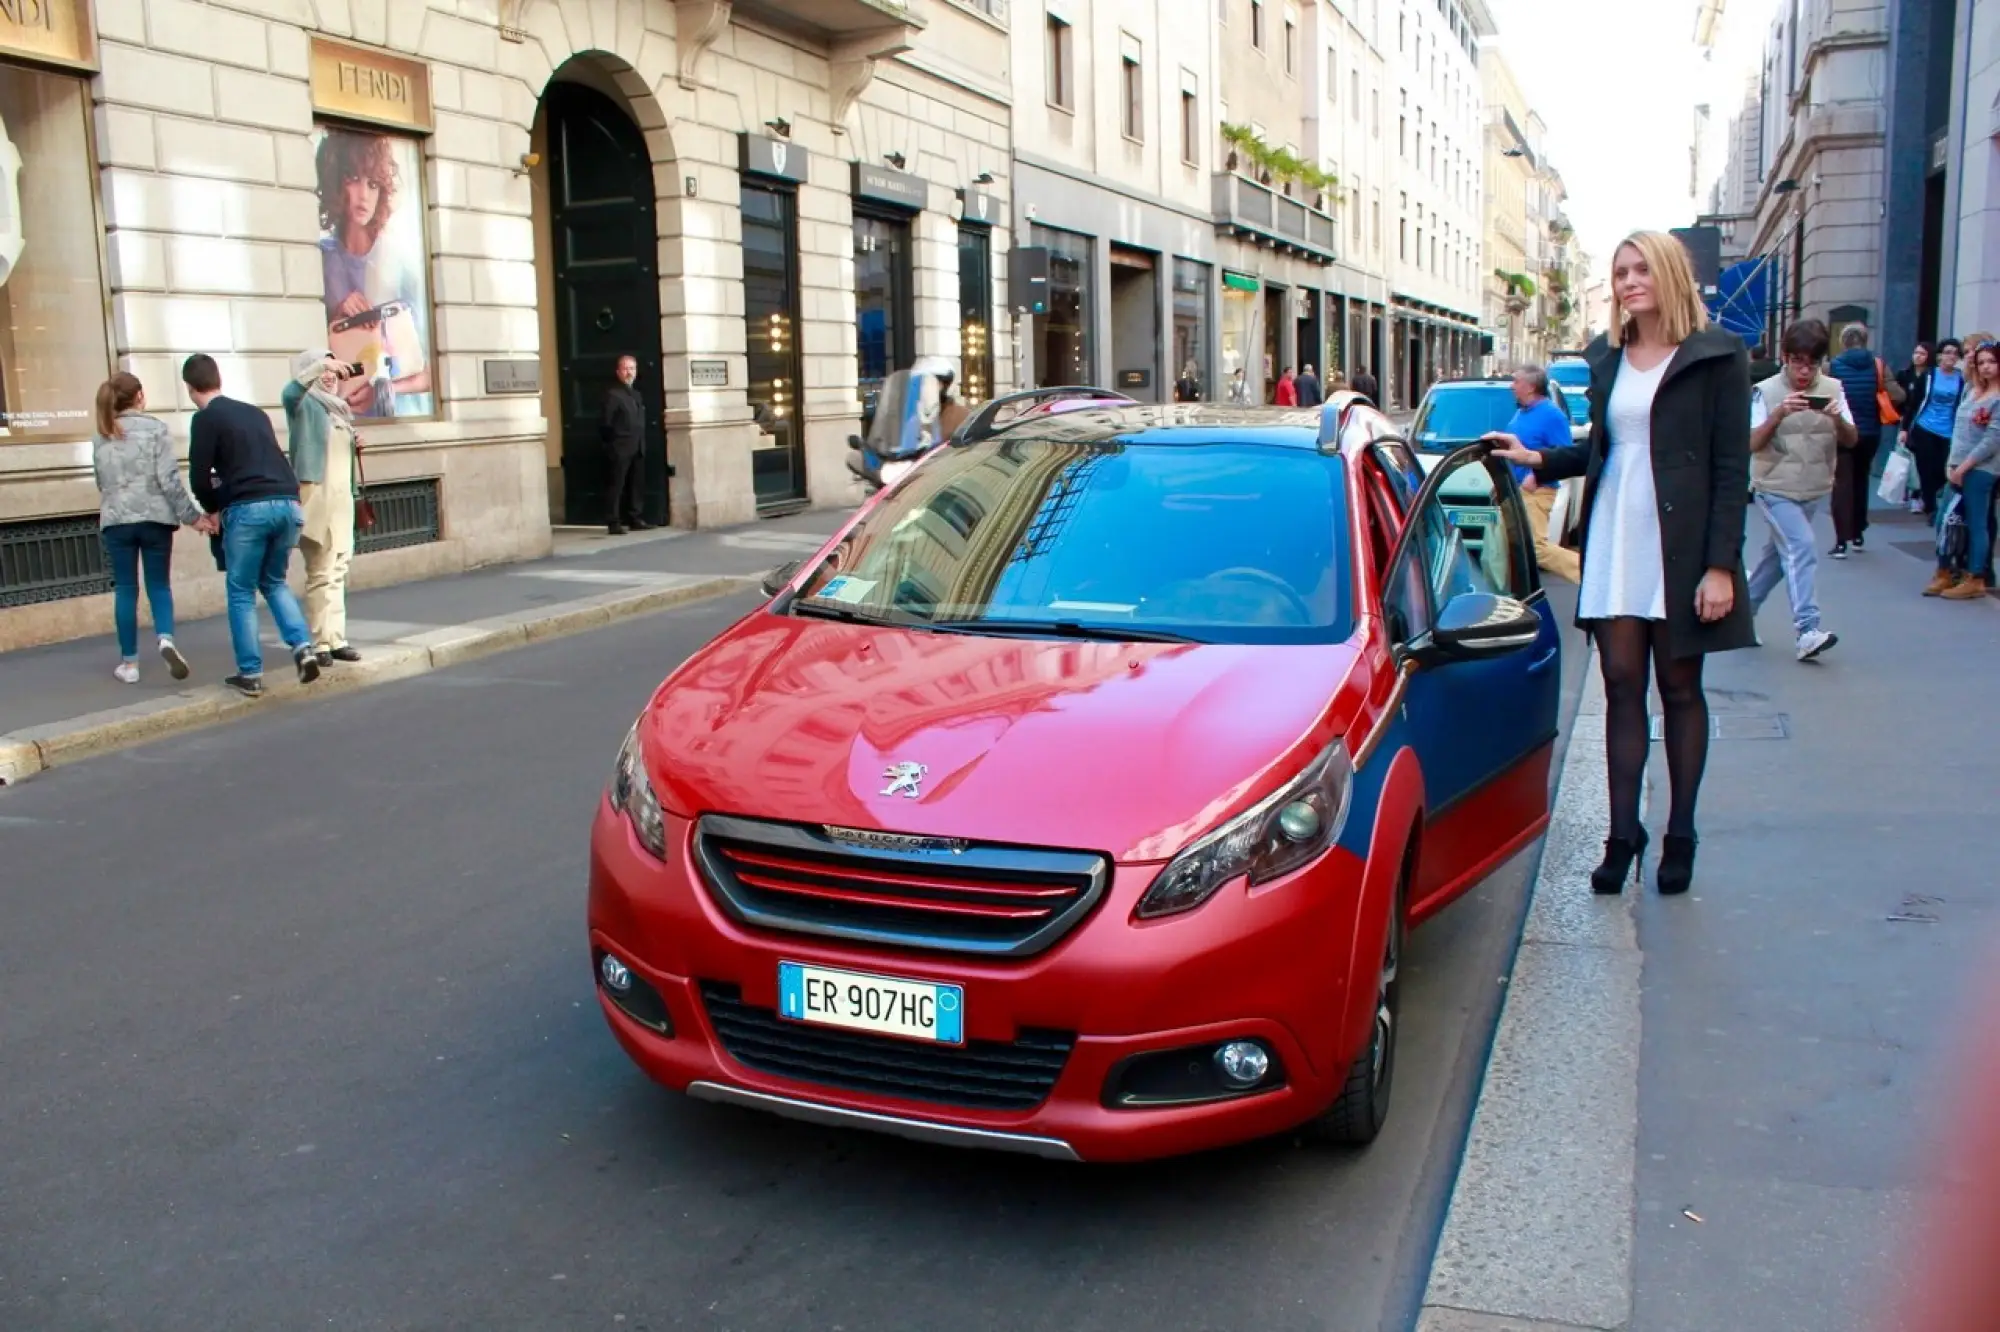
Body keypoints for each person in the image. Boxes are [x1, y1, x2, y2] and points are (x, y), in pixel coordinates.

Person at [1489, 229, 1752, 898]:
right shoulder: (1610, 358)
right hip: (1616, 538)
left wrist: (1720, 566)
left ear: (1668, 274)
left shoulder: (1717, 356)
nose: (1629, 281)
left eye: (1641, 270)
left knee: (1681, 689)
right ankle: (1621, 834)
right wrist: (1534, 458)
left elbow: (1730, 469)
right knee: (1621, 684)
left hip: (1681, 543)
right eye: (1620, 272)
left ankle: (1680, 834)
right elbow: (1607, 451)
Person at [182, 354, 321, 697]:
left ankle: (250, 672)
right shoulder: (255, 413)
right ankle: (303, 647)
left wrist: (213, 509)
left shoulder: (205, 419)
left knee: (241, 590)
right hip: (288, 504)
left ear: (188, 388)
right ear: (218, 380)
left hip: (248, 508)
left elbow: (199, 477)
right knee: (274, 581)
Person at [90, 372, 212, 684]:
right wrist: (193, 517)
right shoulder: (156, 429)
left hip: (117, 520)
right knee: (159, 585)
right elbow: (169, 480)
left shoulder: (101, 433)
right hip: (155, 518)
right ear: (140, 396)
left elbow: (101, 482)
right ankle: (166, 639)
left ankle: (129, 665)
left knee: (126, 590)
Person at [1747, 319, 1852, 660]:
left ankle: (1741, 616)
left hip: (1813, 487)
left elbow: (1852, 440)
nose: (1805, 372)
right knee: (1801, 546)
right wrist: (1777, 415)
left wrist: (1837, 420)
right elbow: (1751, 442)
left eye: (1813, 363)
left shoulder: (1834, 390)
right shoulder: (1766, 390)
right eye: (1798, 362)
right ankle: (1807, 629)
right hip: (1773, 487)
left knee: (1778, 558)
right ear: (1785, 357)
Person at [282, 351, 364, 666]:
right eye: (324, 371)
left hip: (342, 500)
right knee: (320, 571)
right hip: (317, 498)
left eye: (333, 370)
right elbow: (290, 391)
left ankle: (336, 638)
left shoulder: (339, 410)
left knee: (339, 569)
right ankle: (319, 643)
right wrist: (321, 365)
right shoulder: (304, 405)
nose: (330, 377)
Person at [1933, 341, 2000, 599]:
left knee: (1976, 523)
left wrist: (1964, 466)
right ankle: (1945, 570)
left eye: (1991, 362)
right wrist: (1952, 464)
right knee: (1944, 521)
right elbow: (1959, 432)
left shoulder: (1996, 398)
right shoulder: (1972, 390)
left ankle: (1975, 577)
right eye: (1981, 362)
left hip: (1981, 469)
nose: (1985, 367)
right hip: (1957, 465)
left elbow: (1991, 441)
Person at [1502, 364, 1581, 583]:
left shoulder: (1552, 415)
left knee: (1535, 548)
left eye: (1516, 381)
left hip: (1536, 491)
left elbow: (1564, 456)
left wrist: (1536, 476)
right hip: (1514, 491)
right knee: (1507, 549)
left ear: (1530, 387)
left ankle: (1590, 575)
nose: (1512, 386)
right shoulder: (1521, 412)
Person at [1826, 323, 1893, 556]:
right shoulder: (1878, 365)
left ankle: (1841, 540)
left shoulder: (1833, 366)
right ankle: (1858, 533)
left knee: (1842, 483)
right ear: (1865, 341)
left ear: (1843, 342)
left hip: (1843, 433)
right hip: (1870, 432)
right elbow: (1898, 395)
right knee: (1861, 480)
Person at [1903, 338, 1964, 519]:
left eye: (1954, 353)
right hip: (1925, 427)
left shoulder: (1961, 378)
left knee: (1942, 469)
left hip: (1948, 430)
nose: (1951, 356)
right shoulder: (1930, 376)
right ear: (1939, 356)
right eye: (1947, 352)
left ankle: (1927, 495)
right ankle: (1930, 507)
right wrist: (1904, 429)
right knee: (1925, 467)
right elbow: (1913, 404)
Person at [599, 354, 651, 535]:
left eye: (632, 368)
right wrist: (613, 444)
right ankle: (613, 521)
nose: (629, 372)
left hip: (637, 446)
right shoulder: (613, 394)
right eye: (626, 368)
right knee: (617, 485)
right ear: (618, 371)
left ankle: (635, 517)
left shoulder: (636, 393)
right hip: (620, 447)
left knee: (636, 484)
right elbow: (606, 423)